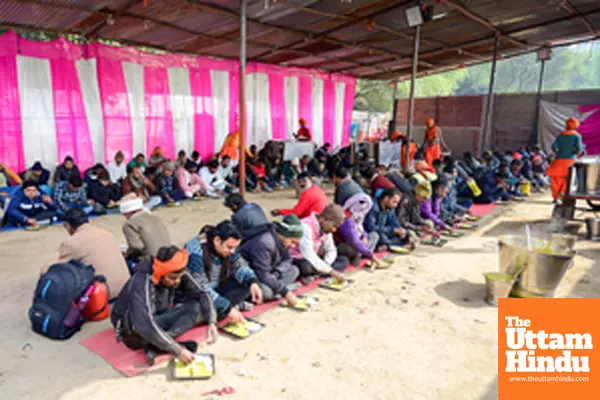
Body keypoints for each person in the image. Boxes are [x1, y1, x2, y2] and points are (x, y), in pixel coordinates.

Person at [111, 245, 218, 366]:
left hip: (158, 317)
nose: (177, 281)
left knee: (196, 306)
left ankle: (157, 345)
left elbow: (202, 293)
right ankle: (161, 343)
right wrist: (178, 350)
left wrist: (212, 321)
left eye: (179, 277)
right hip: (133, 330)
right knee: (149, 328)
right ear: (161, 273)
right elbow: (145, 325)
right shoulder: (142, 282)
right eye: (173, 278)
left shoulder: (176, 271)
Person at [185, 222, 263, 320]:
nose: (232, 251)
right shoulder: (195, 253)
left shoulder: (228, 247)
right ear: (217, 240)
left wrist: (253, 282)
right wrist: (227, 307)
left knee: (247, 285)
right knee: (195, 308)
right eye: (230, 247)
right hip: (196, 295)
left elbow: (239, 264)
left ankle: (220, 310)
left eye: (235, 247)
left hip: (217, 287)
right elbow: (201, 288)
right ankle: (221, 310)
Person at [50, 208, 129, 299]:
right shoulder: (107, 233)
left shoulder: (71, 243)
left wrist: (44, 269)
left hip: (103, 293)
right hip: (126, 287)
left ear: (68, 226)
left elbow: (58, 269)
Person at [239, 216, 302, 305]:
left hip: (271, 272)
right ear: (283, 235)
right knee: (267, 292)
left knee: (294, 270)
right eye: (292, 242)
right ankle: (279, 290)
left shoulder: (283, 241)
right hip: (255, 276)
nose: (293, 246)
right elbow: (262, 274)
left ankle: (277, 290)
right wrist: (285, 292)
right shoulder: (264, 242)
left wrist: (277, 273)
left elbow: (288, 259)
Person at [289, 204, 349, 283]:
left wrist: (326, 264)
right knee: (306, 267)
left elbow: (331, 249)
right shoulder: (306, 226)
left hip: (315, 261)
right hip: (299, 259)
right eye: (334, 226)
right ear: (324, 219)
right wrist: (331, 271)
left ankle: (315, 275)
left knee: (344, 261)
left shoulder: (326, 229)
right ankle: (316, 274)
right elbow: (308, 254)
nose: (334, 230)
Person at [120, 194, 171, 265]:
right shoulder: (156, 217)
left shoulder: (129, 224)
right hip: (168, 256)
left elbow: (137, 246)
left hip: (152, 261)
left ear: (126, 213)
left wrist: (127, 255)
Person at [335, 191, 381, 265]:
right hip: (344, 244)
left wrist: (364, 236)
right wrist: (373, 256)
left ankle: (362, 253)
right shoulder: (346, 219)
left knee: (374, 235)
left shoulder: (358, 215)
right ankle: (362, 254)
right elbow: (354, 240)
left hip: (358, 241)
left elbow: (360, 227)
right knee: (353, 249)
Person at [547, 117, 584, 203]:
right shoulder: (577, 136)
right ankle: (562, 194)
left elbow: (553, 147)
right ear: (576, 126)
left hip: (558, 160)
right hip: (570, 161)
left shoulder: (561, 135)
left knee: (556, 179)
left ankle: (555, 197)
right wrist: (574, 152)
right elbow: (579, 149)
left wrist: (560, 151)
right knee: (568, 179)